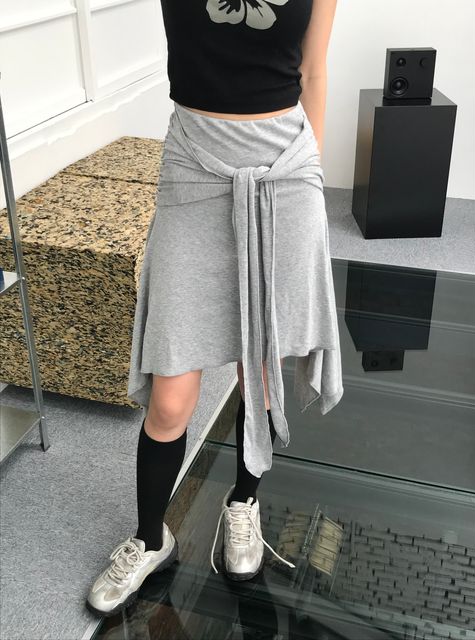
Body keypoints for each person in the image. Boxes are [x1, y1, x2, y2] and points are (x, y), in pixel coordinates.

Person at [86, 0, 342, 618]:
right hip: (195, 167)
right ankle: (152, 538)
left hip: (285, 168)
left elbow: (313, 69)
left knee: (261, 372)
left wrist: (310, 176)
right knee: (171, 397)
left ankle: (243, 505)